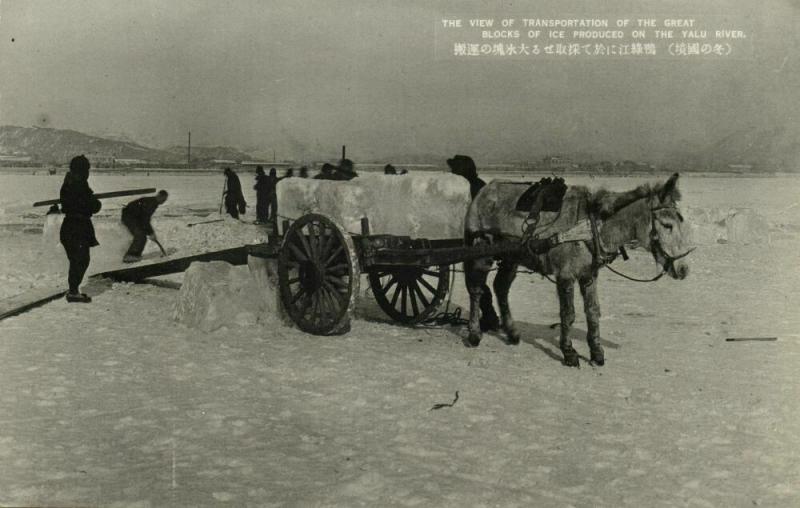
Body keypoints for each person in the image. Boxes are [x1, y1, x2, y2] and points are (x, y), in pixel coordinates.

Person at [447, 154, 500, 331]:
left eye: (454, 170)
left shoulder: (470, 188)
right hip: (479, 237)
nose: (451, 173)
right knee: (477, 279)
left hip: (477, 239)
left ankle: (489, 316)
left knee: (475, 279)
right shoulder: (481, 186)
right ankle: (489, 315)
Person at [59, 155, 101, 303]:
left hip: (70, 225)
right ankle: (73, 292)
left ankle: (73, 290)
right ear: (82, 170)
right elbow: (93, 206)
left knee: (77, 259)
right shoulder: (79, 184)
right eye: (86, 169)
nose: (88, 173)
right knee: (81, 259)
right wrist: (95, 202)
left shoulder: (69, 182)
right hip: (78, 226)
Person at [121, 190, 169, 263]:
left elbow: (144, 219)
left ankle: (135, 255)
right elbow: (145, 220)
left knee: (142, 235)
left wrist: (149, 232)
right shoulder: (151, 203)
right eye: (163, 199)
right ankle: (130, 256)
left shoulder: (153, 202)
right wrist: (151, 233)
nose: (164, 201)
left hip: (134, 217)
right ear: (159, 196)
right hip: (129, 217)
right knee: (140, 235)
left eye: (165, 199)